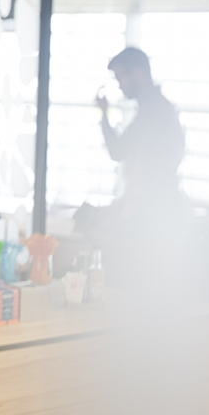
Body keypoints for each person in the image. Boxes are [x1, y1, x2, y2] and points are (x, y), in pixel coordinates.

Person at [77, 47, 188, 293]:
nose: (119, 86)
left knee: (131, 282)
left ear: (137, 73)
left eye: (120, 78)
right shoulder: (154, 109)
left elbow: (119, 150)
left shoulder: (156, 110)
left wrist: (104, 114)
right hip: (152, 210)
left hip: (155, 214)